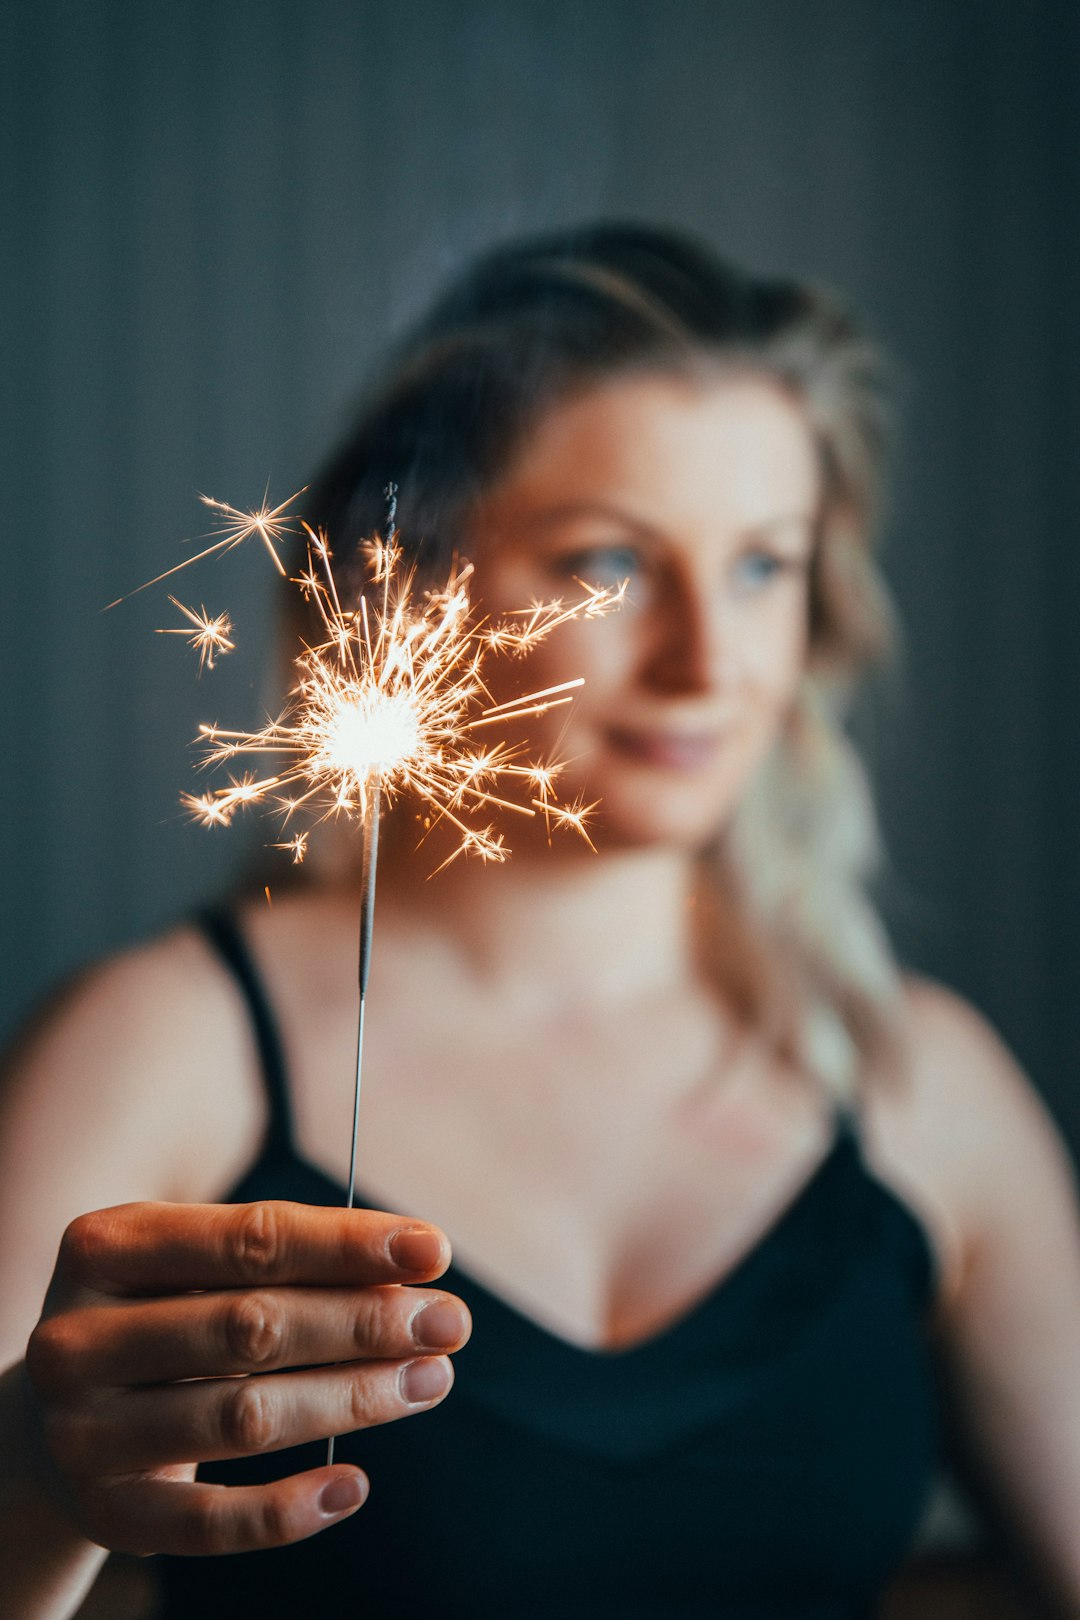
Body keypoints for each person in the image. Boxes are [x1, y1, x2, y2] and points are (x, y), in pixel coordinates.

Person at [2, 223, 1079, 1620]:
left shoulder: (918, 1084)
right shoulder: (165, 1049)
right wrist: (28, 1483)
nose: (708, 662)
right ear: (407, 584)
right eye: (609, 565)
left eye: (764, 564)